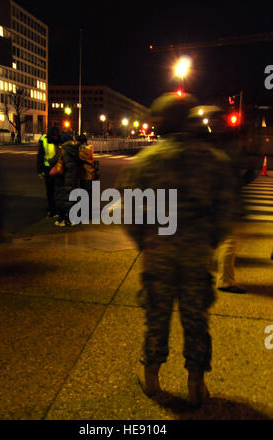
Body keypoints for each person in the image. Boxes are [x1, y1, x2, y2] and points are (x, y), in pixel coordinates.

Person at [118, 92, 239, 408]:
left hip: (158, 253)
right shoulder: (213, 161)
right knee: (196, 318)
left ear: (161, 122)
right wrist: (209, 240)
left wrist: (145, 241)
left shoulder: (146, 161)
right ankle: (196, 383)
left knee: (157, 317)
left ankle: (152, 380)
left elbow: (128, 211)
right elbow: (227, 211)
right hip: (196, 252)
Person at [188, 106, 255, 294]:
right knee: (228, 241)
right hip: (226, 200)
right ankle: (224, 280)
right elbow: (247, 172)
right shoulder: (230, 143)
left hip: (207, 200)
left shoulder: (203, 142)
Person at [49, 134, 80, 227]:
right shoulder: (75, 151)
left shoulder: (61, 151)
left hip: (62, 179)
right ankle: (72, 219)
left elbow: (52, 162)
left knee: (62, 199)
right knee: (72, 199)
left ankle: (62, 220)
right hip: (73, 179)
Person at [37, 126, 61, 217]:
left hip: (57, 169)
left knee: (57, 191)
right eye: (54, 136)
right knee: (50, 191)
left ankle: (56, 208)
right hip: (48, 169)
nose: (56, 138)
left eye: (57, 136)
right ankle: (52, 209)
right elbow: (40, 156)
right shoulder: (45, 141)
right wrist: (40, 170)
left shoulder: (59, 141)